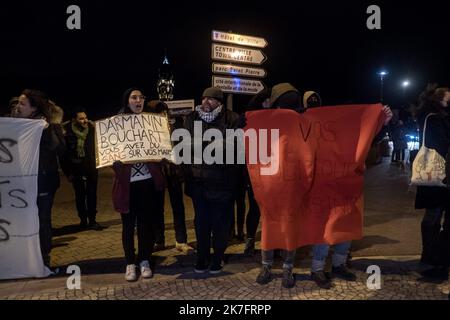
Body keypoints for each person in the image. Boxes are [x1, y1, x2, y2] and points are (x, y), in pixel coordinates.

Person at [303, 90, 393, 289]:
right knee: (324, 228)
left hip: (347, 184)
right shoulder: (308, 125)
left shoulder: (345, 131)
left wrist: (381, 120)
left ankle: (338, 265)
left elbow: (366, 135)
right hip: (323, 185)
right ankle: (317, 269)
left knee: (346, 225)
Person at [183, 87, 240, 274]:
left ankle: (217, 259)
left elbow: (232, 149)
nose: (206, 102)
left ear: (219, 102)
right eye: (204, 98)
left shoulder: (232, 119)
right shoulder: (191, 118)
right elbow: (186, 145)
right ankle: (202, 258)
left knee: (220, 224)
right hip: (198, 183)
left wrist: (204, 144)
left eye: (211, 99)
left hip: (222, 183)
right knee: (201, 223)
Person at [112, 87, 165, 281]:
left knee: (146, 225)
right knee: (128, 226)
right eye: (134, 97)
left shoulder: (152, 123)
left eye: (141, 97)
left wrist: (163, 154)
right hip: (127, 185)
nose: (138, 100)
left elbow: (161, 149)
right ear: (127, 101)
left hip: (147, 183)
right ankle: (129, 263)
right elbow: (109, 153)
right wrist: (116, 163)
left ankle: (144, 260)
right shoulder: (116, 125)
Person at [255, 83, 303, 288]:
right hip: (270, 184)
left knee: (289, 228)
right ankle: (266, 265)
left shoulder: (304, 120)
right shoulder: (265, 119)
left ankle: (287, 268)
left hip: (293, 185)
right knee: (269, 227)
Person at [14, 89, 66, 269]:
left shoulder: (50, 125)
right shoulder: (15, 124)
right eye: (18, 103)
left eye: (22, 104)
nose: (18, 107)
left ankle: (43, 259)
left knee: (42, 219)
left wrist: (47, 131)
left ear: (34, 108)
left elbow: (59, 149)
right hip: (20, 182)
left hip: (42, 180)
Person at [147, 100, 194, 254]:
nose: (162, 115)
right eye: (158, 112)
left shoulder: (175, 126)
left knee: (178, 206)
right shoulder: (147, 129)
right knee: (156, 208)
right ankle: (158, 240)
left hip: (174, 172)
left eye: (164, 111)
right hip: (157, 172)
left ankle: (181, 241)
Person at [414, 85, 450, 282]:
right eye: (447, 97)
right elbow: (440, 143)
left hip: (442, 175)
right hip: (438, 174)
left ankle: (435, 257)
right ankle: (431, 256)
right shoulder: (433, 117)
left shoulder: (440, 116)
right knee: (433, 217)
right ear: (439, 99)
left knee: (436, 218)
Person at [61, 107, 102, 230]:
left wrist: (98, 129)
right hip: (76, 169)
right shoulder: (67, 133)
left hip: (91, 168)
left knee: (91, 194)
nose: (85, 121)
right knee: (80, 195)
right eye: (81, 118)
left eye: (85, 118)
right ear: (74, 120)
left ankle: (92, 220)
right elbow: (64, 155)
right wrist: (68, 173)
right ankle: (83, 220)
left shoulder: (92, 130)